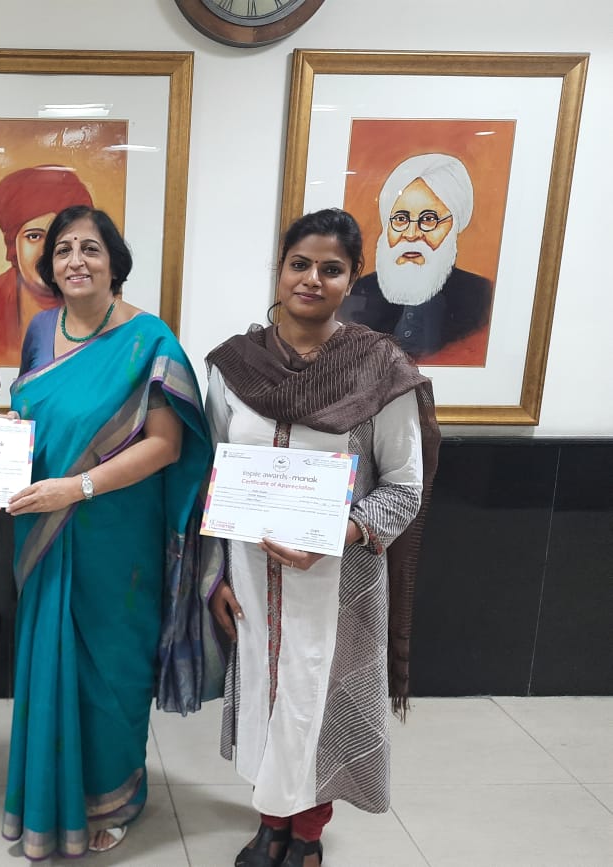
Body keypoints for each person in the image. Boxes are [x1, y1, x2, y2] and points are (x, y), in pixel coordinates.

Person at [204, 209, 440, 867]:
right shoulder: (235, 366)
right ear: (279, 269)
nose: (311, 279)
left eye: (330, 268)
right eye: (299, 264)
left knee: (318, 704)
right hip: (251, 576)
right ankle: (271, 823)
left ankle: (306, 835)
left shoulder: (380, 369)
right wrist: (215, 575)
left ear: (352, 278)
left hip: (337, 579)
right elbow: (213, 474)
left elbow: (406, 487)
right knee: (266, 698)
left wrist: (337, 530)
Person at [2, 205, 212, 858]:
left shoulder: (151, 340)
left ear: (114, 262)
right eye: (63, 249)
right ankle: (50, 795)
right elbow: (34, 409)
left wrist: (78, 487)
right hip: (44, 528)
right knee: (50, 662)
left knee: (111, 670)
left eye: (90, 248)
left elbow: (166, 445)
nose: (76, 260)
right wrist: (7, 433)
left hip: (117, 539)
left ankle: (114, 797)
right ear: (49, 266)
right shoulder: (41, 331)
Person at [339, 153, 493, 365]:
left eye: (428, 219)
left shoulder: (482, 296)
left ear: (454, 225)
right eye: (400, 219)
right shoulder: (358, 291)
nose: (411, 234)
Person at [0, 165, 94, 367]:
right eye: (34, 236)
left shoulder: (102, 305)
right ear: (13, 245)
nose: (47, 251)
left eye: (60, 236)